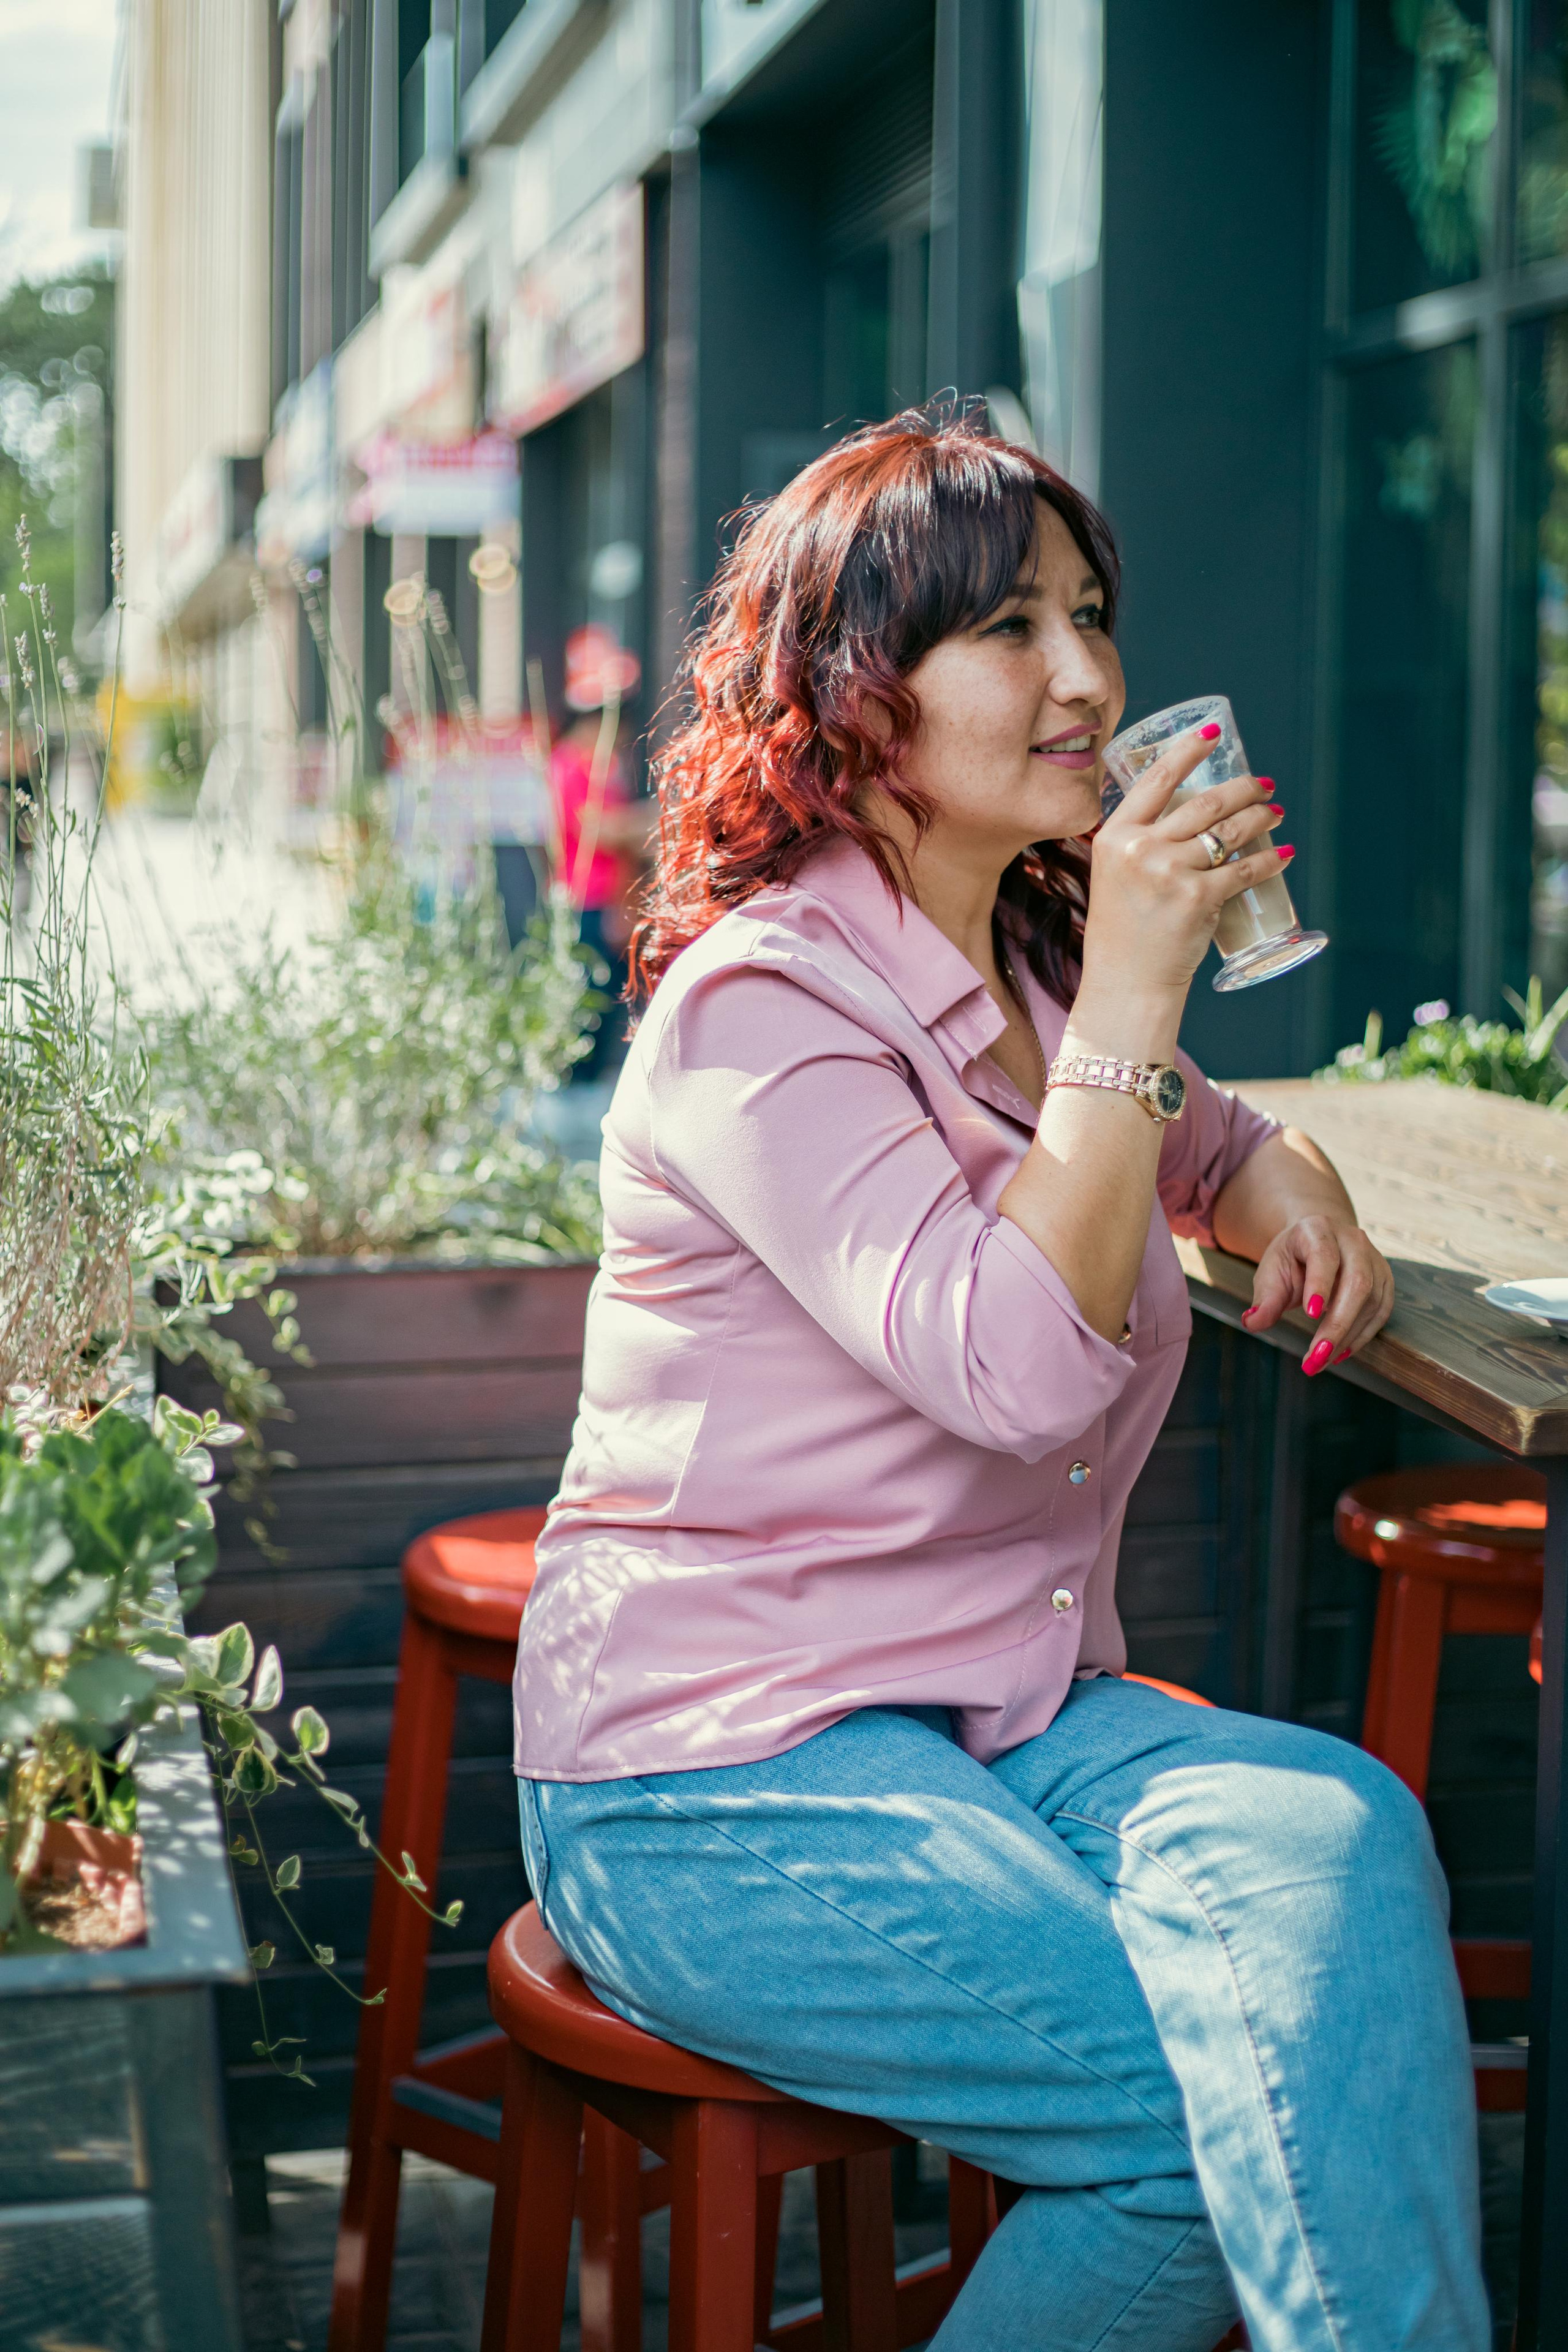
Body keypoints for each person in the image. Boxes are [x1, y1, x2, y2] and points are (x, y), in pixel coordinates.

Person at [512, 411, 1487, 2350]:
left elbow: (1196, 1140)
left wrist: (1283, 1169)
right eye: (1009, 627)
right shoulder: (760, 1006)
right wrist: (1141, 982)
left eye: (1091, 613)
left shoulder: (1020, 970)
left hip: (995, 1713)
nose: (1087, 675)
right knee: (1199, 2132)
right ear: (850, 694)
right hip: (714, 1771)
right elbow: (1017, 1369)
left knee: (1347, 1826)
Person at [550, 624, 651, 1082]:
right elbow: (600, 830)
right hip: (581, 903)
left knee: (610, 999)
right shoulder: (569, 765)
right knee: (584, 1003)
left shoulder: (605, 767)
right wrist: (648, 822)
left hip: (611, 903)